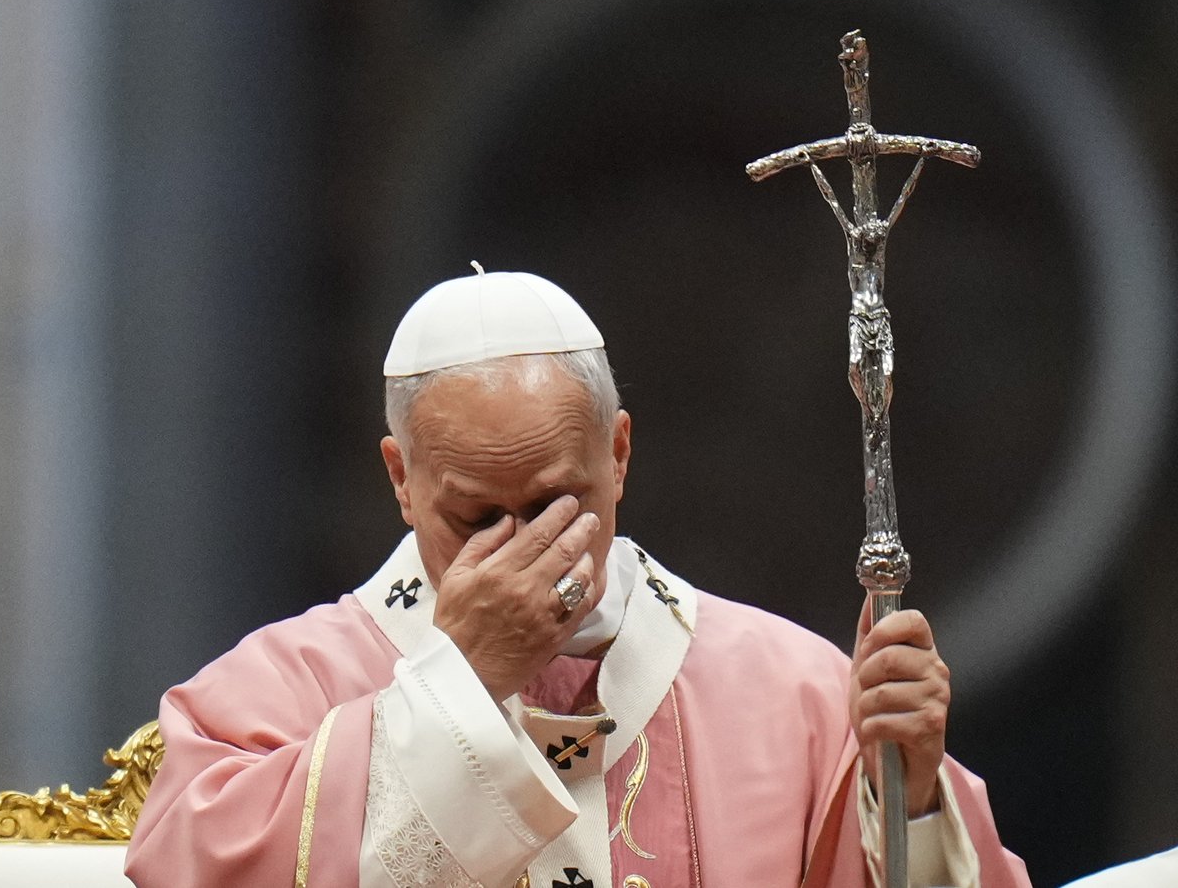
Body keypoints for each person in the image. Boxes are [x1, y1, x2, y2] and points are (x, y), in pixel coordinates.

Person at [125, 268, 1030, 887]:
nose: (528, 551)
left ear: (620, 453)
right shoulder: (276, 696)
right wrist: (462, 682)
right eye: (478, 517)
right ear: (402, 478)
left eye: (560, 502)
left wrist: (906, 797)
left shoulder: (794, 695)